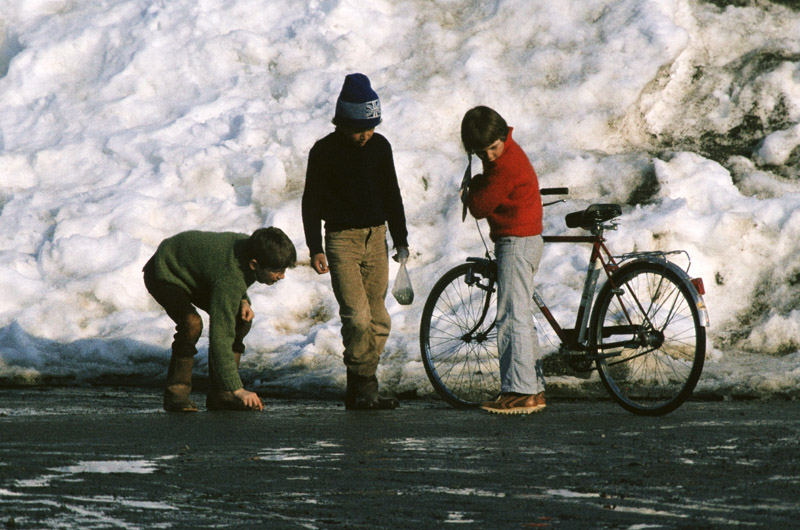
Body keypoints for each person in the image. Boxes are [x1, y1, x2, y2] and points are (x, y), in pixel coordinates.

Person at [302, 73, 409, 410]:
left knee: (379, 319)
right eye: (359, 128)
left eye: (371, 126)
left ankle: (362, 384)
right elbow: (311, 201)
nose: (366, 134)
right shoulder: (324, 151)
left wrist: (401, 239)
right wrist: (315, 246)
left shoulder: (380, 147)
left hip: (376, 238)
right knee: (357, 317)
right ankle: (364, 387)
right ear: (342, 122)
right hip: (341, 241)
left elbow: (392, 194)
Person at [143, 227, 296, 412]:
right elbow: (221, 334)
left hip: (195, 272)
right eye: (277, 270)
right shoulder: (232, 275)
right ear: (254, 264)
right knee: (191, 324)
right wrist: (237, 389)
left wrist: (243, 299)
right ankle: (177, 396)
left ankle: (222, 395)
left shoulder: (252, 249)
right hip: (164, 271)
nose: (282, 276)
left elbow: (226, 272)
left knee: (240, 319)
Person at [461, 106, 546, 415]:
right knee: (519, 313)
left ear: (502, 136)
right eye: (483, 153)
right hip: (522, 239)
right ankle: (532, 389)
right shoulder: (507, 154)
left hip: (516, 241)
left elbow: (481, 206)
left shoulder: (506, 163)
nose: (491, 157)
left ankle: (519, 392)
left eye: (493, 148)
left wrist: (471, 192)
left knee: (512, 315)